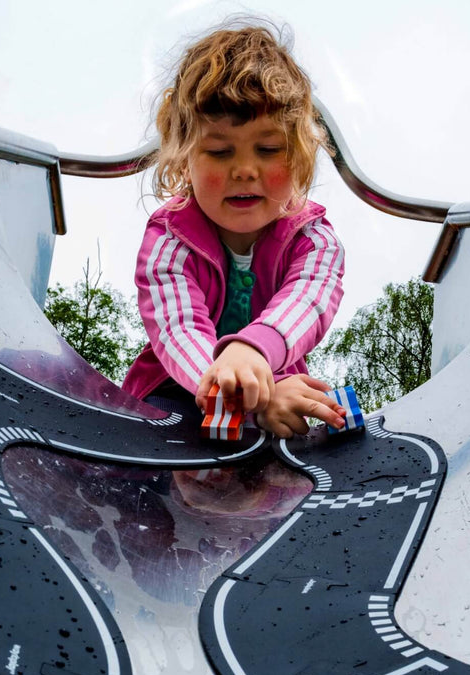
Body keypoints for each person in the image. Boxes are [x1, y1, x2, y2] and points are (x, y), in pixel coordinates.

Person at [121, 21, 347, 438]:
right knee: (151, 436)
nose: (244, 170)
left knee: (298, 437)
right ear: (184, 159)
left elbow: (308, 300)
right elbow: (177, 328)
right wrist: (239, 391)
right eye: (220, 151)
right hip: (176, 391)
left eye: (268, 148)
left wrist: (255, 357)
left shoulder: (313, 241)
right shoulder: (170, 239)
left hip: (276, 383)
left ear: (299, 156)